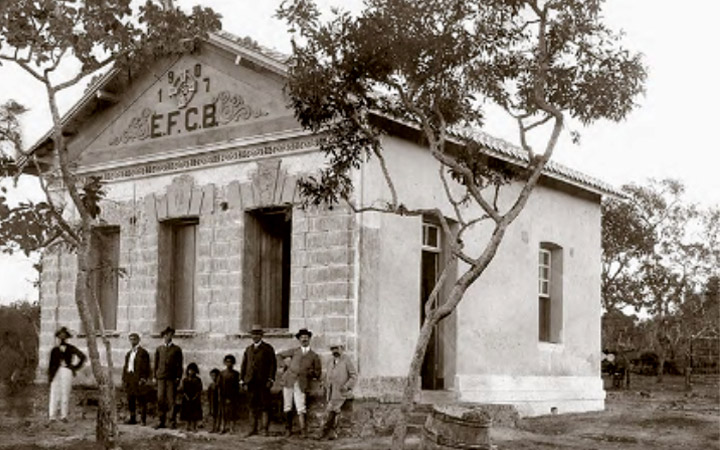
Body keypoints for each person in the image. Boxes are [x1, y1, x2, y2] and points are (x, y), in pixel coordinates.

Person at [278, 328, 322, 437]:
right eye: (302, 337)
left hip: (302, 383)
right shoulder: (294, 351)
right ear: (299, 339)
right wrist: (285, 365)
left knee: (301, 406)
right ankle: (288, 429)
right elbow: (278, 355)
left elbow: (318, 373)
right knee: (287, 405)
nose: (304, 339)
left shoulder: (314, 356)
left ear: (309, 339)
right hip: (288, 380)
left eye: (306, 337)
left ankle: (303, 430)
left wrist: (311, 372)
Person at [240, 324, 277, 437]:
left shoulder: (268, 348)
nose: (255, 336)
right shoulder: (248, 349)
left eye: (257, 334)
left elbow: (272, 365)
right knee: (252, 406)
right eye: (253, 334)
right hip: (251, 383)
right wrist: (243, 381)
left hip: (263, 382)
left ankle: (264, 429)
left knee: (265, 406)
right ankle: (252, 429)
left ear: (261, 335)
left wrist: (270, 379)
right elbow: (244, 365)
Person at [320, 341, 357, 440]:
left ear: (342, 348)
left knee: (331, 411)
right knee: (333, 411)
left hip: (341, 392)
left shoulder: (346, 360)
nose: (334, 351)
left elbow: (353, 376)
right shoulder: (330, 362)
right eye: (332, 349)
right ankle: (331, 434)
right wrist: (325, 383)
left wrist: (346, 386)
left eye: (337, 348)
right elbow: (328, 376)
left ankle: (325, 433)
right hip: (331, 392)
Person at [47, 326, 86, 422]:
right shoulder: (54, 350)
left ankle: (63, 416)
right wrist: (50, 376)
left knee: (65, 392)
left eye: (64, 337)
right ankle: (52, 416)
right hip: (56, 372)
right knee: (54, 393)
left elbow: (82, 357)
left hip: (66, 371)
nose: (62, 339)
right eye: (60, 337)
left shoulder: (71, 348)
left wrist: (74, 367)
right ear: (58, 338)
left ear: (67, 338)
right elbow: (51, 364)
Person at [154, 326, 183, 429]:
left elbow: (179, 365)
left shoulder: (176, 349)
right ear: (164, 336)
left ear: (172, 336)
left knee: (171, 400)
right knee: (160, 399)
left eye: (170, 335)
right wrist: (155, 377)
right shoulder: (159, 349)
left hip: (171, 378)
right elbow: (156, 364)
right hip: (161, 378)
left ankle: (171, 421)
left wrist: (178, 377)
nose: (168, 337)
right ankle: (160, 420)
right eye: (166, 335)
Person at [122, 332, 151, 425]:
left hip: (138, 378)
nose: (132, 341)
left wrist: (143, 378)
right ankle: (132, 418)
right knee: (131, 399)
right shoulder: (129, 353)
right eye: (131, 339)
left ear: (138, 340)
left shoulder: (143, 353)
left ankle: (143, 420)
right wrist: (124, 379)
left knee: (141, 399)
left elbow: (147, 367)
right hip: (130, 378)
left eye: (134, 339)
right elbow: (126, 366)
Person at [218, 354, 241, 433]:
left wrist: (233, 397)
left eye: (230, 362)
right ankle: (223, 427)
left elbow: (237, 386)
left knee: (232, 413)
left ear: (233, 363)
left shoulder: (236, 374)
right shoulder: (222, 374)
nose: (229, 364)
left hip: (233, 396)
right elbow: (219, 385)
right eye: (227, 362)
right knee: (223, 413)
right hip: (223, 395)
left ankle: (231, 428)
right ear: (225, 363)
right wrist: (220, 395)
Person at [179, 363, 203, 432]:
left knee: (194, 413)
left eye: (193, 370)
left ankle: (193, 427)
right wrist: (186, 396)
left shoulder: (198, 380)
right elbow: (183, 390)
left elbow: (199, 390)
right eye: (190, 370)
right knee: (186, 412)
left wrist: (195, 397)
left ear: (196, 371)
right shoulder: (185, 380)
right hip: (186, 399)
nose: (191, 372)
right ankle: (187, 426)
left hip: (195, 399)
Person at [207, 368, 222, 433]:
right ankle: (213, 427)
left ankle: (218, 428)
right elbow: (208, 395)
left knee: (219, 414)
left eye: (215, 376)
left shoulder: (220, 385)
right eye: (212, 376)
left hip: (219, 402)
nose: (214, 377)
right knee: (213, 415)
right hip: (212, 402)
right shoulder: (211, 385)